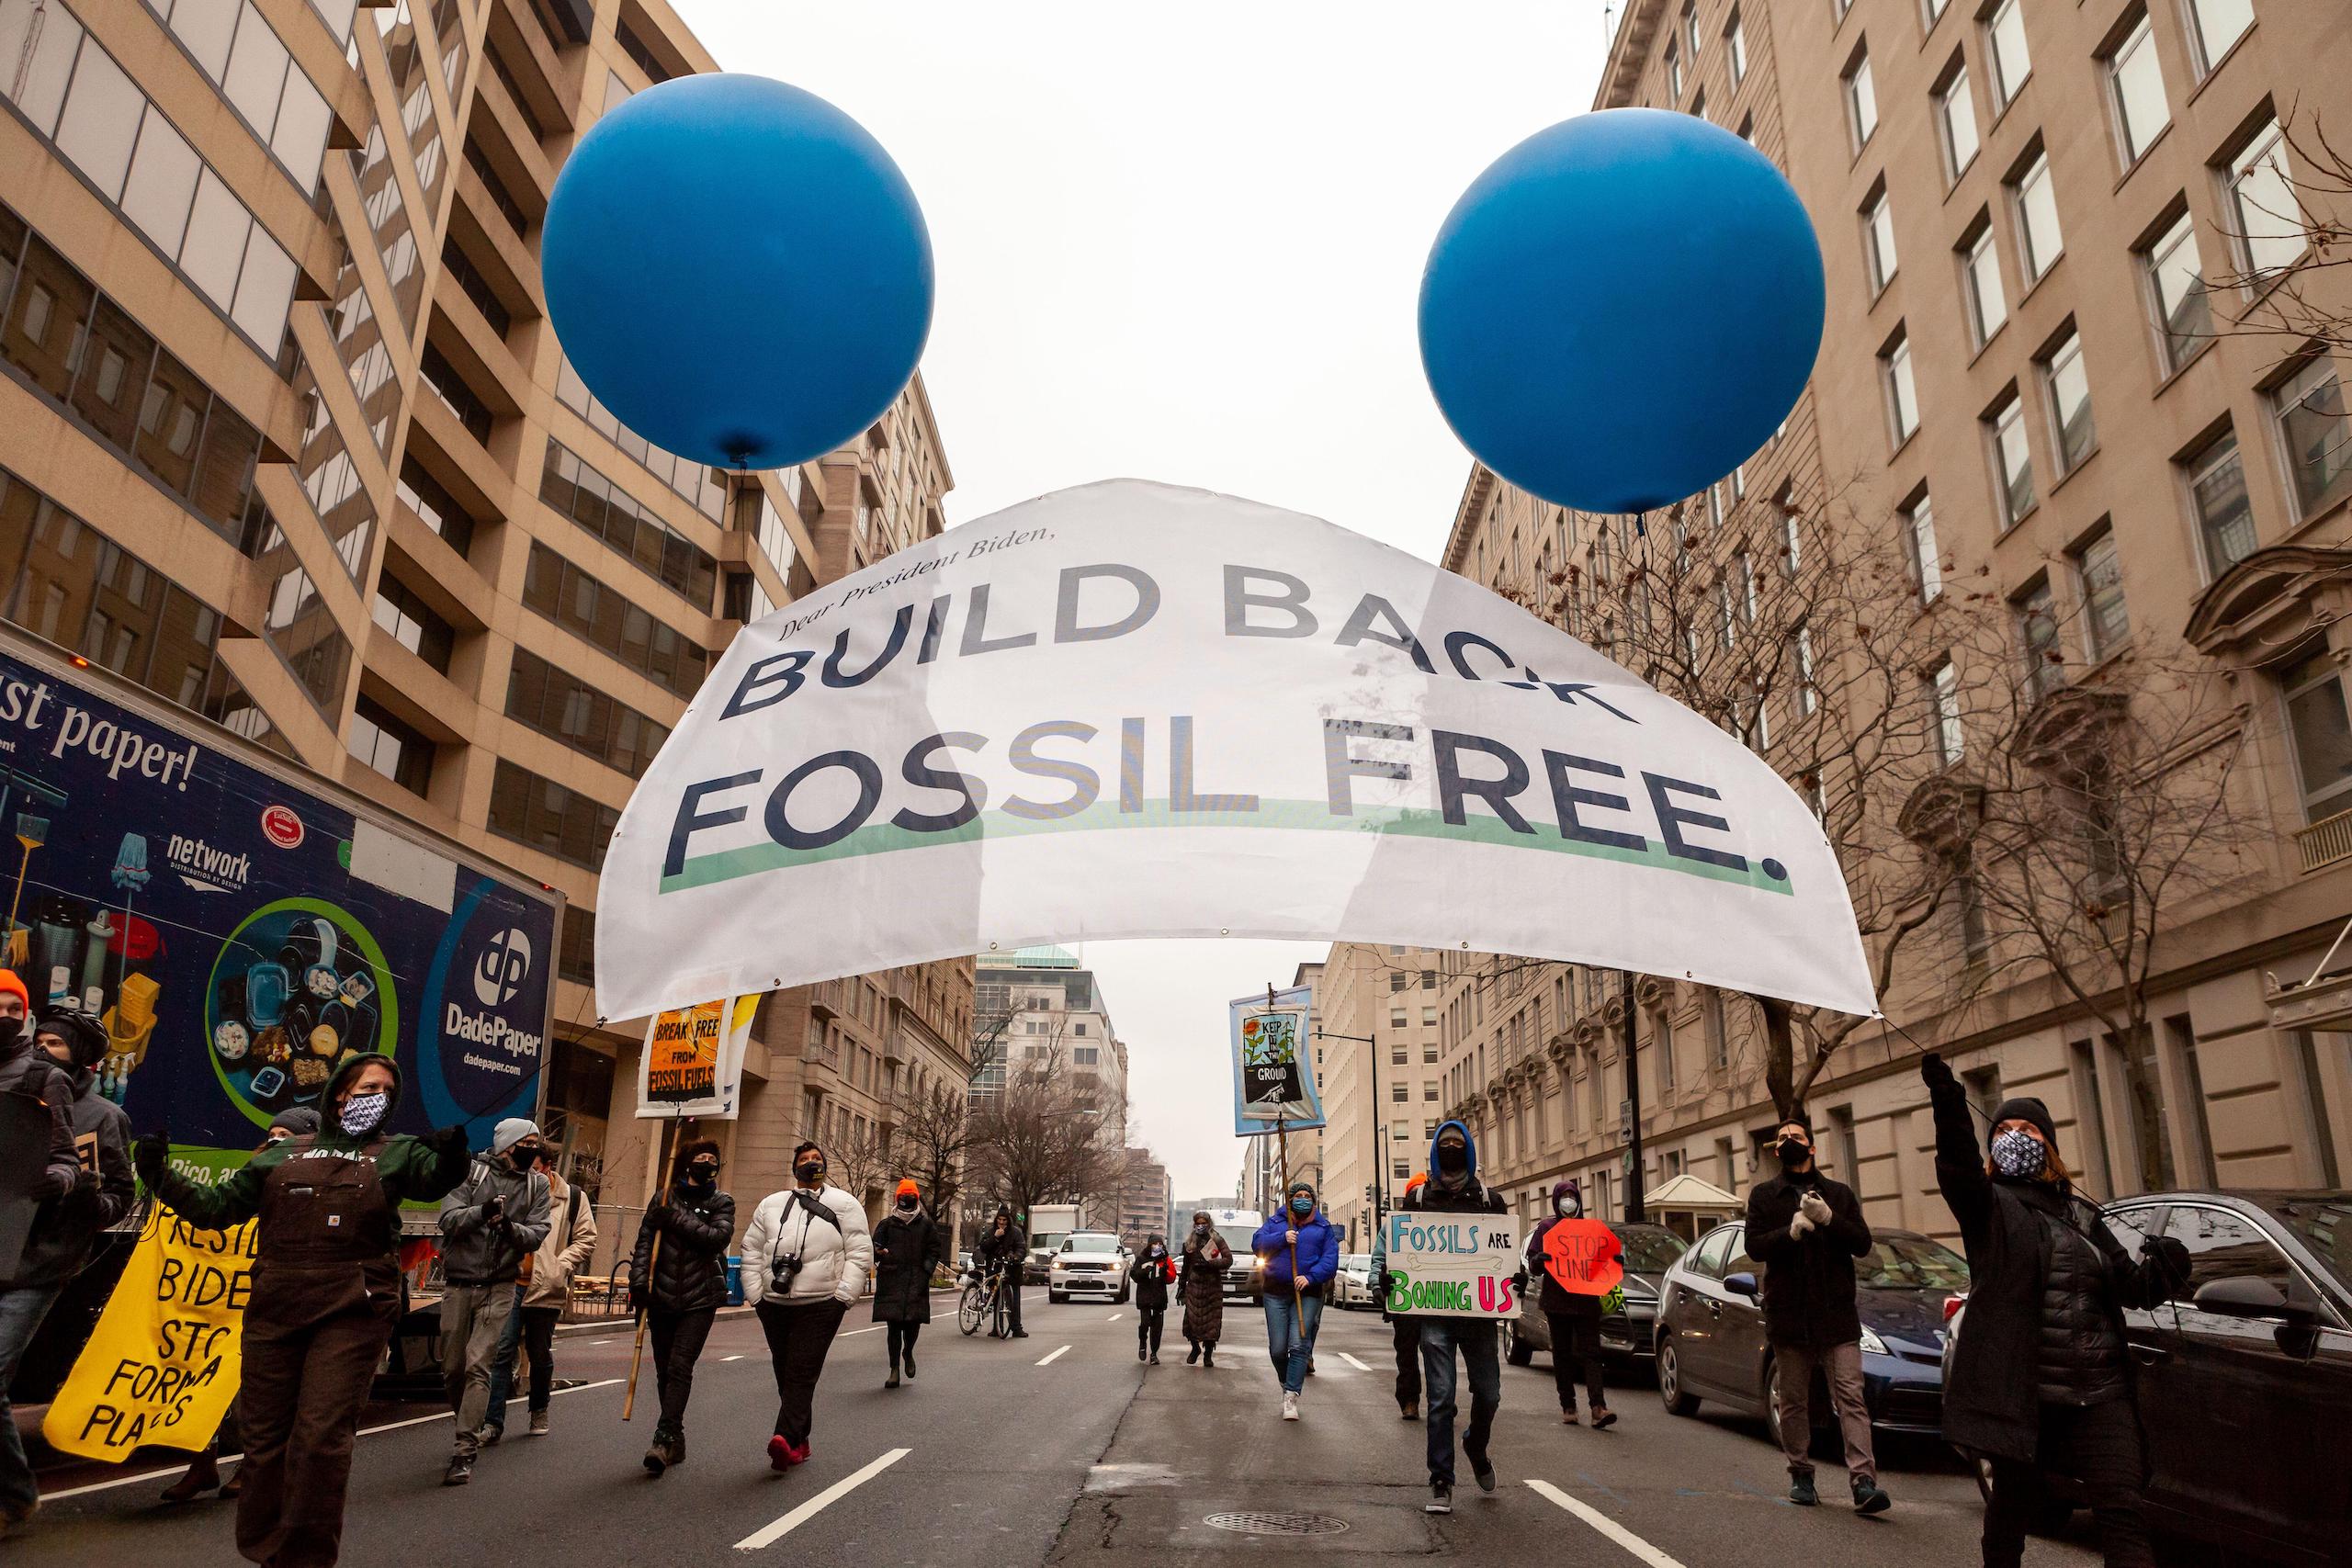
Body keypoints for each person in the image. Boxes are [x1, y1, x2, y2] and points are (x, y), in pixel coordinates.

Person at [135, 1053, 470, 1568]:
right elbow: (215, 1208)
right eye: (369, 1087)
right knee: (263, 1441)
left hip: (353, 1311)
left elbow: (433, 1180)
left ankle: (307, 1559)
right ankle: (267, 1552)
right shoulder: (280, 1155)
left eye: (388, 1091)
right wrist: (158, 1174)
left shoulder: (399, 1153)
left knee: (319, 1440)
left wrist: (451, 1156)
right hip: (276, 1309)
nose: (379, 1098)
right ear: (340, 1093)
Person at [1924, 1054, 2188, 1568]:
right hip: (2028, 1397)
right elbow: (1956, 1162)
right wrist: (1948, 1101)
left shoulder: (2083, 1215)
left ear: (2049, 1145)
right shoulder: (1988, 1207)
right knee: (2011, 1510)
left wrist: (2168, 1266)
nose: (2015, 1136)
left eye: (2027, 1129)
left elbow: (2132, 1289)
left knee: (2124, 1511)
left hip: (2101, 1393)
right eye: (2004, 1129)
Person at [1, 996, 130, 1535]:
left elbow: (121, 1199)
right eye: (39, 1040)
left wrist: (87, 1198)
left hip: (41, 1266)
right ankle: (14, 1491)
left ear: (80, 1057)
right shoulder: (13, 1098)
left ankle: (12, 1495)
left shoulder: (104, 1117)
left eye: (55, 1043)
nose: (42, 1050)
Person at [163, 1106, 320, 1504]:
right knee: (203, 1379)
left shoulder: (315, 1179)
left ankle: (253, 1467)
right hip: (224, 1300)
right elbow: (217, 1209)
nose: (275, 1140)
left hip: (272, 1296)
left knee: (255, 1390)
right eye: (273, 1133)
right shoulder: (251, 1173)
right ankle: (202, 1463)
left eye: (287, 1135)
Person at [1745, 1114, 1887, 1512]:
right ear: (1777, 1151)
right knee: (1793, 1400)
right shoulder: (1764, 1196)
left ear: (1812, 1146)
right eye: (1781, 1138)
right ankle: (1801, 1474)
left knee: (1851, 1398)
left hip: (1836, 1318)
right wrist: (1789, 1233)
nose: (1788, 1140)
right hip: (1789, 1317)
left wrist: (1829, 1220)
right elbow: (1754, 1246)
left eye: (1795, 1135)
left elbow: (1862, 1243)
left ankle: (1863, 1481)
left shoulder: (1838, 1194)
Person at [435, 1118, 550, 1485]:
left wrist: (509, 1227)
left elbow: (537, 1233)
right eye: (527, 1142)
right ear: (507, 1145)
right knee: (453, 1368)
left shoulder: (537, 1185)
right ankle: (466, 1421)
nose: (533, 1149)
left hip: (500, 1287)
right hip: (458, 1284)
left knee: (478, 1364)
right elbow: (448, 1220)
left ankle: (463, 1450)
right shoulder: (471, 1174)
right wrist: (482, 1212)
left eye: (536, 1143)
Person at [741, 1141, 870, 1469]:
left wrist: (843, 1297)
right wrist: (756, 1294)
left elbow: (859, 1253)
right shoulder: (771, 1205)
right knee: (784, 1370)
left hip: (821, 1303)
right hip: (774, 1302)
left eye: (816, 1158)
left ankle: (784, 1438)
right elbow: (751, 1249)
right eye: (804, 1159)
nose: (811, 1163)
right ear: (794, 1167)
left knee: (802, 1369)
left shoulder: (845, 1204)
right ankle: (800, 1439)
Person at [1408, 1120, 1508, 1514]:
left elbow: (1503, 1254)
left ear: (1468, 1150)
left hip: (1479, 1317)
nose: (1451, 1149)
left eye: (1457, 1143)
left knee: (1489, 1393)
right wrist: (1393, 1280)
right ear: (1436, 1151)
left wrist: (1513, 1278)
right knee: (1441, 1397)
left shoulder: (1490, 1201)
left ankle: (1475, 1446)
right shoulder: (1417, 1200)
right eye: (1444, 1143)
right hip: (1435, 1313)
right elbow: (1404, 1253)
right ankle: (1441, 1480)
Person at [629, 1139, 733, 1475]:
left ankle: (662, 1439)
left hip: (700, 1298)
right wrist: (638, 1284)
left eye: (712, 1159)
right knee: (664, 1370)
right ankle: (676, 1437)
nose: (707, 1163)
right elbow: (644, 1244)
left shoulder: (722, 1202)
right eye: (701, 1158)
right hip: (661, 1297)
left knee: (679, 1366)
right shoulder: (662, 1198)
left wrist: (673, 1218)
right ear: (687, 1163)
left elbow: (716, 1238)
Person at [481, 1141, 596, 1443]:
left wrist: (560, 1265)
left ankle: (539, 1408)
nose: (529, 1173)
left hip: (546, 1286)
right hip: (510, 1282)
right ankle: (492, 1422)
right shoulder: (515, 1189)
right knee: (502, 1351)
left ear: (547, 1166)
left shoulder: (571, 1197)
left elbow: (586, 1238)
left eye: (534, 1168)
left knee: (539, 1353)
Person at [1522, 1178, 1620, 1428]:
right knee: (1562, 1354)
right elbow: (1533, 1265)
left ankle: (1598, 1407)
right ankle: (1568, 1405)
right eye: (1564, 1197)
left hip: (1586, 1301)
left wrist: (1615, 1262)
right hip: (1557, 1303)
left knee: (1592, 1353)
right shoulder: (1546, 1228)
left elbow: (1603, 1262)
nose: (1569, 1201)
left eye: (1573, 1197)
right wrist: (1539, 1260)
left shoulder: (1590, 1229)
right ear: (1556, 1201)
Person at [1252, 1179, 1339, 1421]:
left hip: (1307, 1294)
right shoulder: (1276, 1223)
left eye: (1307, 1196)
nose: (1303, 1200)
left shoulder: (1323, 1228)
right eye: (1298, 1196)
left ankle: (1291, 1394)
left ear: (1314, 1201)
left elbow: (1330, 1260)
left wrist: (1311, 1277)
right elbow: (1257, 1244)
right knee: (1278, 1349)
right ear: (1290, 1200)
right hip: (1276, 1292)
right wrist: (1282, 1238)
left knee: (1299, 1344)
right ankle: (1285, 1381)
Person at [871, 1178, 943, 1388]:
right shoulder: (887, 1224)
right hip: (891, 1281)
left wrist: (926, 1270)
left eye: (910, 1196)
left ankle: (908, 1352)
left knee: (913, 1324)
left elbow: (934, 1250)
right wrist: (879, 1253)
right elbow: (874, 1248)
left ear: (916, 1198)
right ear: (897, 1198)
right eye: (903, 1196)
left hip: (916, 1281)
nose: (907, 1199)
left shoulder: (926, 1225)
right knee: (893, 1327)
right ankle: (894, 1369)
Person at [1370, 1171, 1427, 1420]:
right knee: (1406, 1354)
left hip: (1436, 1301)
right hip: (1404, 1300)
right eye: (1415, 1193)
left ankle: (1441, 1400)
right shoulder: (1392, 1227)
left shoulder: (1444, 1225)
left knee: (1437, 1354)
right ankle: (1409, 1400)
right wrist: (1376, 1285)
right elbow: (1379, 1258)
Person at [1177, 1210, 1231, 1367]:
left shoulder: (1216, 1239)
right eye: (1198, 1223)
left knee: (1211, 1324)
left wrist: (1211, 1263)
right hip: (1194, 1287)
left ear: (1209, 1224)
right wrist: (1181, 1287)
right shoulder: (1190, 1242)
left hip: (1212, 1288)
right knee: (1190, 1321)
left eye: (1204, 1223)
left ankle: (1208, 1354)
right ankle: (1195, 1348)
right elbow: (1185, 1266)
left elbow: (1228, 1259)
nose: (1200, 1226)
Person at [977, 1204, 1029, 1338]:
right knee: (996, 1298)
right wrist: (995, 1238)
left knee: (1014, 1300)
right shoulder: (991, 1232)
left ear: (1008, 1220)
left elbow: (1021, 1248)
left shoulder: (1016, 1233)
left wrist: (1016, 1257)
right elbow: (983, 1247)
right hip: (995, 1268)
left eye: (1004, 1220)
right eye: (999, 1220)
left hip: (1012, 1269)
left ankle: (1016, 1328)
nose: (1001, 1222)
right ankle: (997, 1327)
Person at [1129, 1235, 1176, 1363]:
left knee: (1157, 1328)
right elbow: (1134, 1275)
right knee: (1145, 1323)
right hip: (1144, 1297)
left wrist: (1165, 1273)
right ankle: (1143, 1342)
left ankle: (1154, 1354)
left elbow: (1171, 1279)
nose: (1157, 1246)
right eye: (1155, 1244)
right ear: (1150, 1245)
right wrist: (1144, 1272)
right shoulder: (1142, 1258)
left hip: (1159, 1298)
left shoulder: (1165, 1259)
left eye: (1160, 1244)